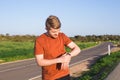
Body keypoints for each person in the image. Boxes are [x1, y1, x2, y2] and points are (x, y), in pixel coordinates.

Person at [34, 15, 81, 80]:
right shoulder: (40, 40)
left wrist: (69, 55)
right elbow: (40, 62)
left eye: (58, 30)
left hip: (65, 75)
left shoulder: (62, 36)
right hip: (50, 78)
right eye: (54, 32)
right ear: (46, 28)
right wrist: (59, 60)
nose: (57, 34)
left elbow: (77, 49)